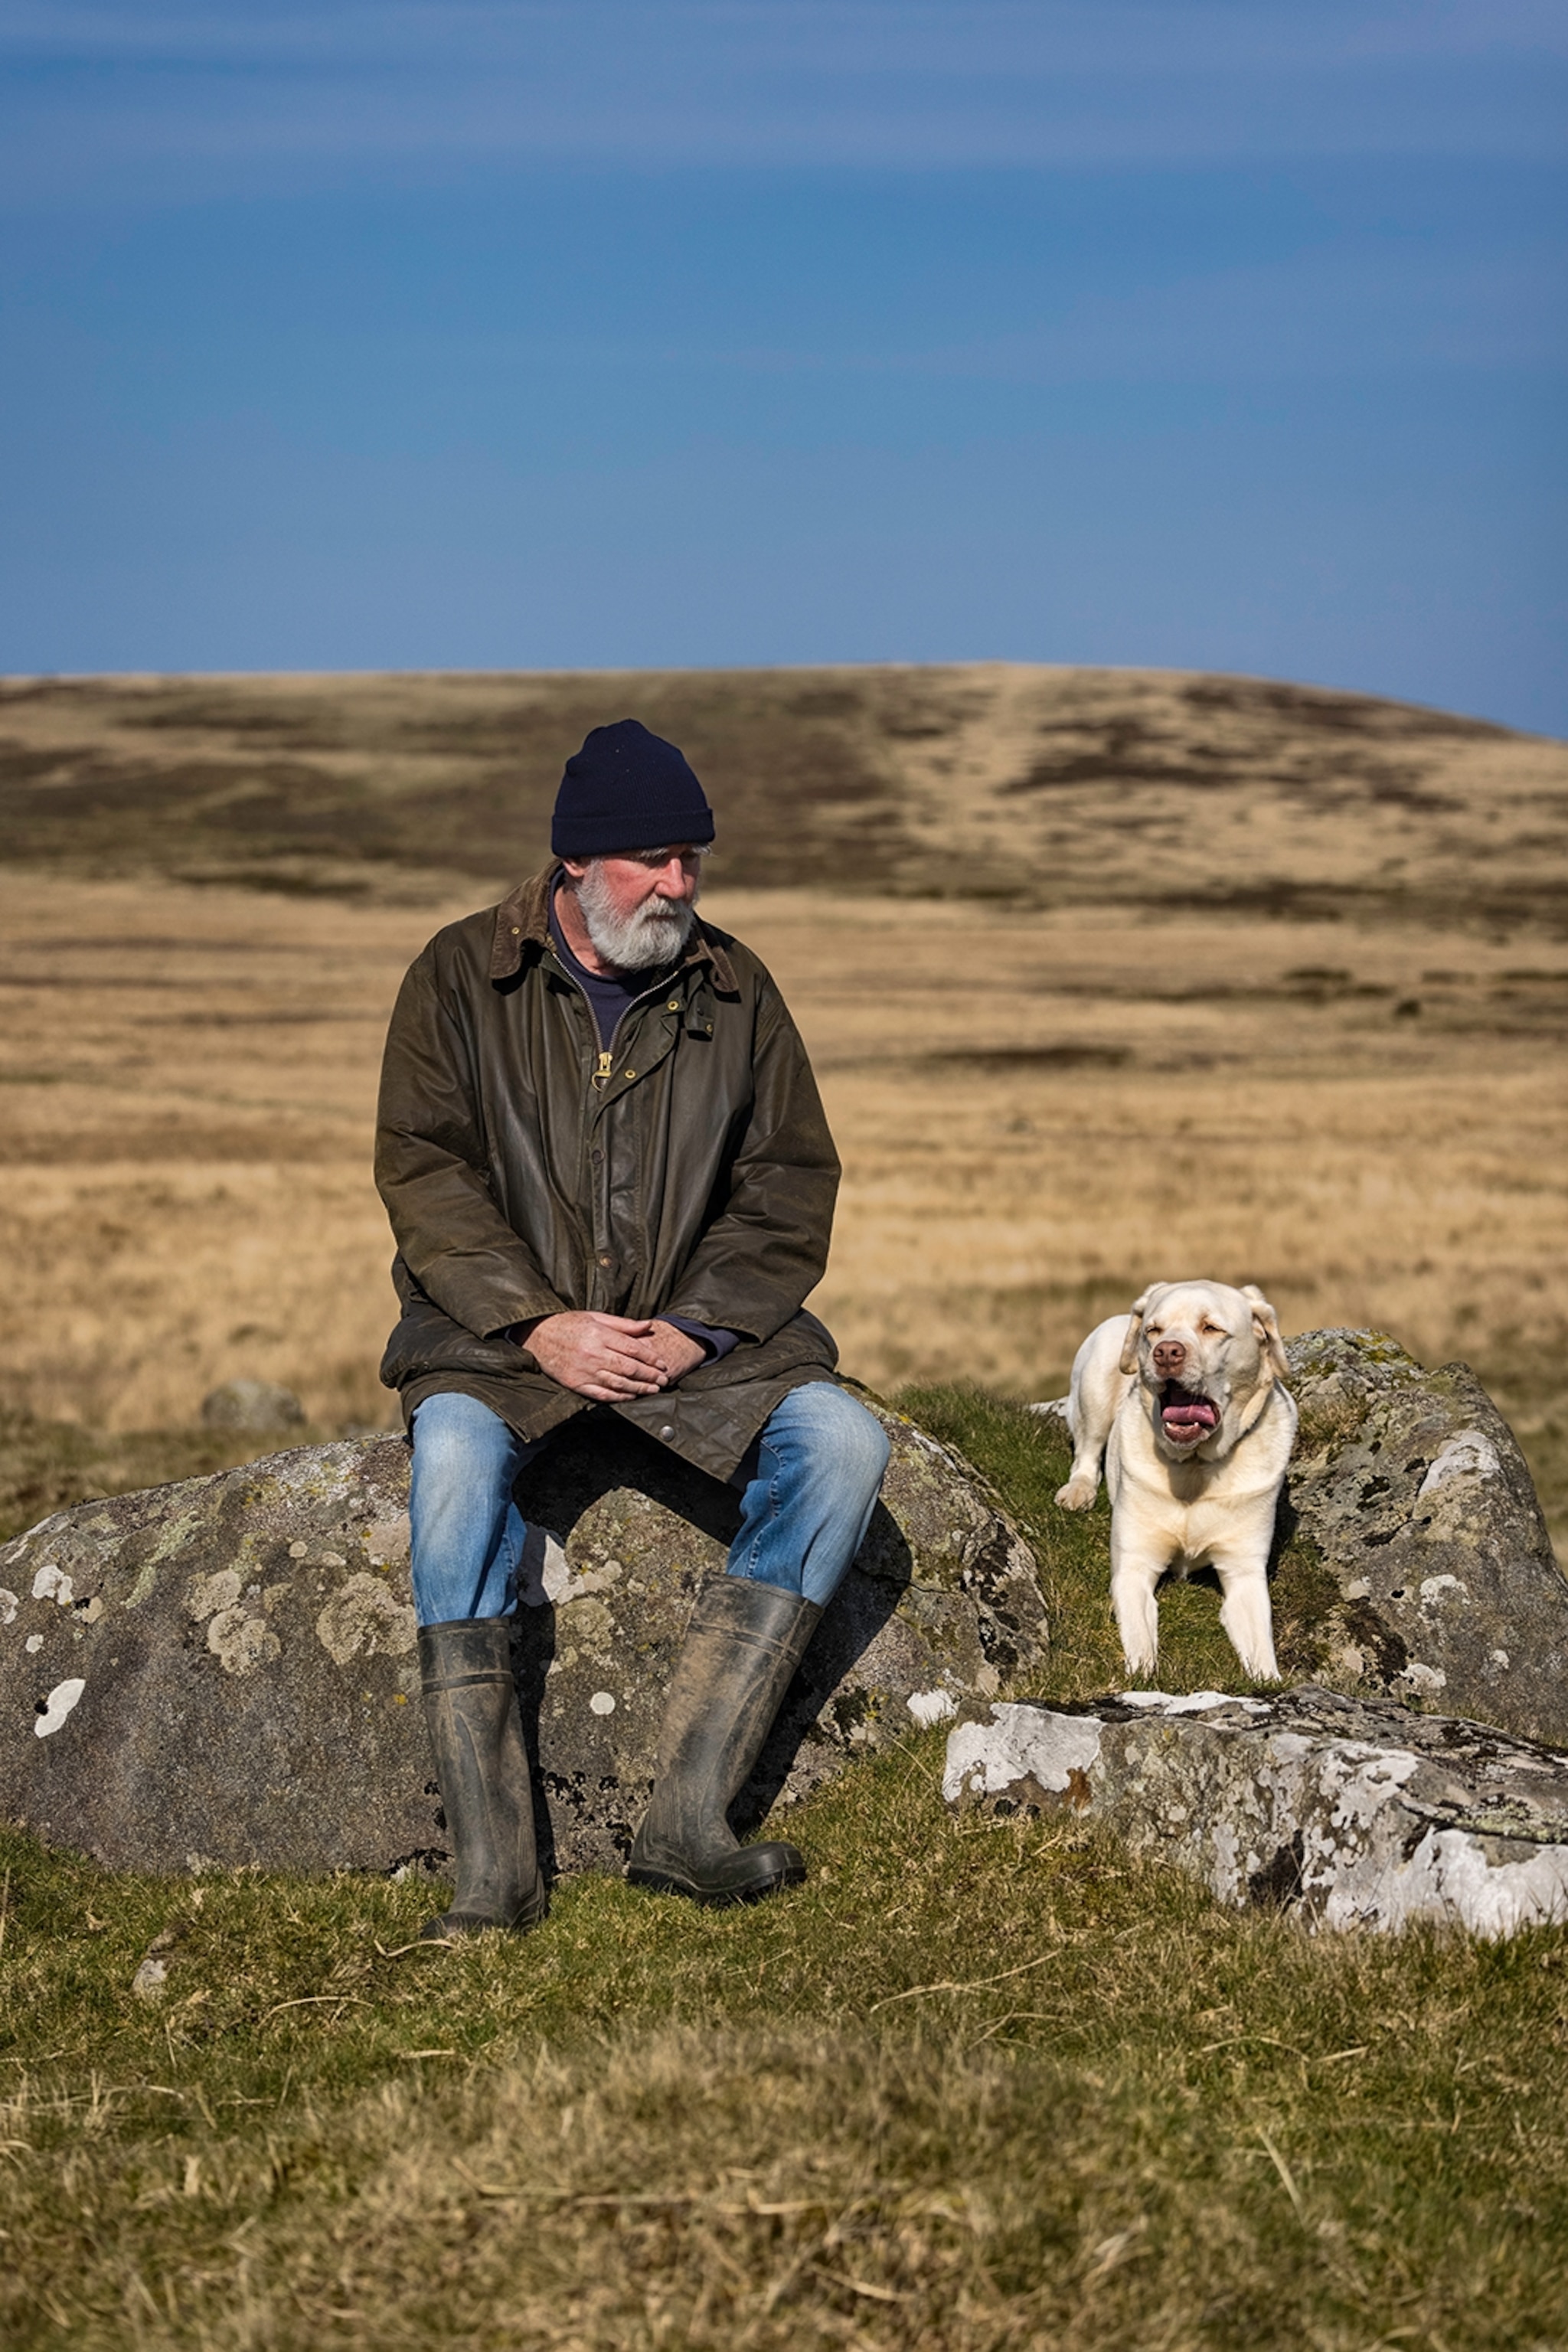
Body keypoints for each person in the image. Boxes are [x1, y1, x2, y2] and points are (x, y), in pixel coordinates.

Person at [374, 718, 890, 1939]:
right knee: (451, 1467)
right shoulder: (458, 977)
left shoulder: (736, 987)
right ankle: (494, 1879)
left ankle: (688, 1831)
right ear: (576, 865)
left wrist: (700, 1330)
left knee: (843, 1446)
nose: (681, 884)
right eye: (654, 858)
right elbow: (425, 1174)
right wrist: (538, 1325)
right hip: (496, 1343)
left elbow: (786, 1183)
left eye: (691, 858)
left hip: (695, 1346)